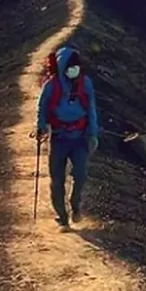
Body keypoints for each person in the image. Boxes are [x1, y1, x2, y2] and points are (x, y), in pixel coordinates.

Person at [36, 45, 99, 228]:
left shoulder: (85, 83)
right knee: (57, 179)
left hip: (79, 137)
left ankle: (75, 205)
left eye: (77, 66)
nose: (75, 69)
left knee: (80, 175)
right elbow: (42, 107)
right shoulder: (52, 85)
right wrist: (41, 127)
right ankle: (62, 217)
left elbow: (91, 109)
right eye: (72, 66)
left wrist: (93, 134)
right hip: (58, 137)